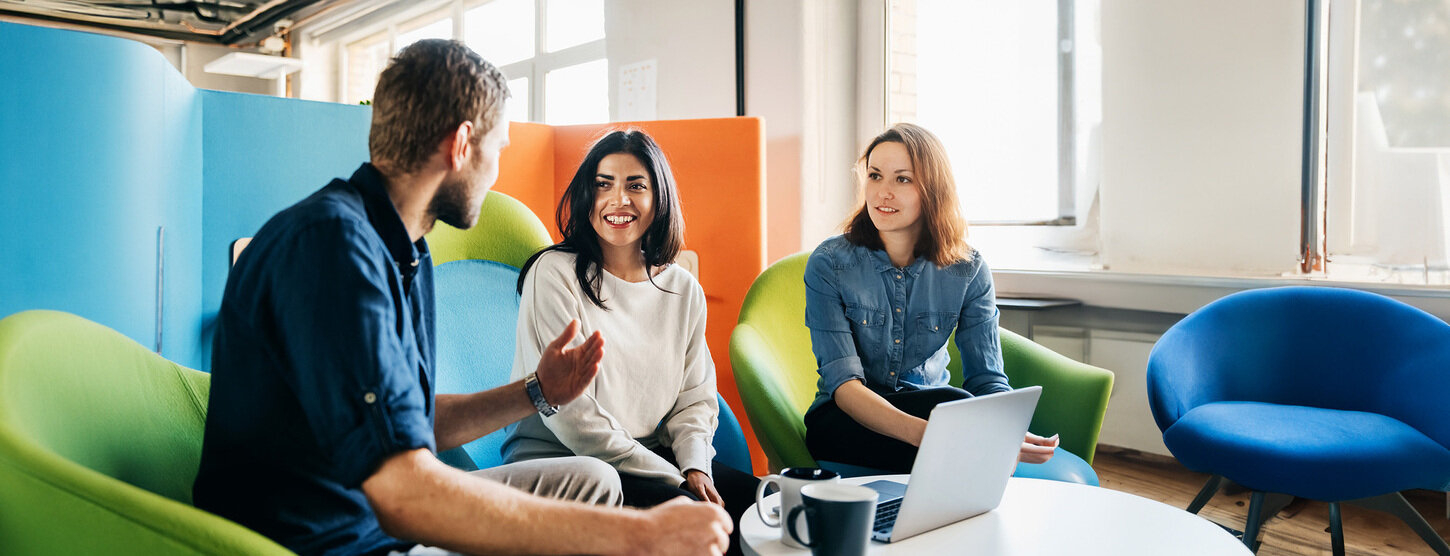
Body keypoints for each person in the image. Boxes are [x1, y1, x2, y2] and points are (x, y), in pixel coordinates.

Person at [194, 40, 730, 556]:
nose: (496, 169)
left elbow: (409, 423)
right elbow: (403, 493)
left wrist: (536, 392)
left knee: (592, 481)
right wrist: (641, 537)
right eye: (497, 150)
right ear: (461, 145)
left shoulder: (404, 250)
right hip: (337, 537)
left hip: (379, 511)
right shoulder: (332, 249)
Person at [503, 130, 760, 555]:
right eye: (603, 184)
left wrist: (696, 466)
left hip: (648, 458)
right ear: (587, 195)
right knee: (701, 528)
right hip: (566, 462)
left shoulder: (682, 289)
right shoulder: (553, 274)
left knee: (767, 509)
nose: (617, 200)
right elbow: (572, 417)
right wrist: (674, 478)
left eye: (635, 185)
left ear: (660, 199)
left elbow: (694, 399)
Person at [802, 123, 1061, 473]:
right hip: (846, 419)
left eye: (902, 179)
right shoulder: (830, 263)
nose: (883, 192)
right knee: (955, 411)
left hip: (931, 407)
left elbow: (986, 378)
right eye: (875, 176)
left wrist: (1007, 430)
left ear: (933, 190)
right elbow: (844, 386)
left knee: (956, 406)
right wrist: (931, 435)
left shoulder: (967, 269)